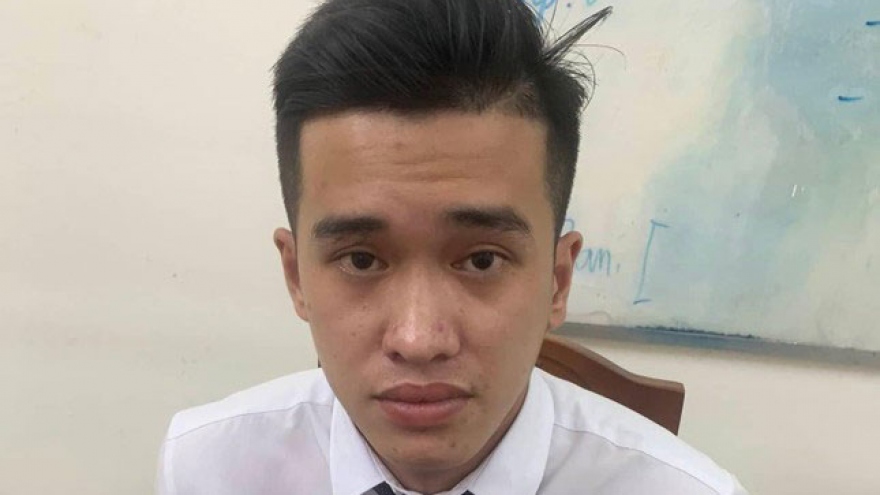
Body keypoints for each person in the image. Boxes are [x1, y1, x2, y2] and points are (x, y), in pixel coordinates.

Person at [157, 1, 747, 493]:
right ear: (296, 277)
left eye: (482, 260)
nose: (418, 340)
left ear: (558, 280)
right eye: (361, 259)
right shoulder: (209, 469)